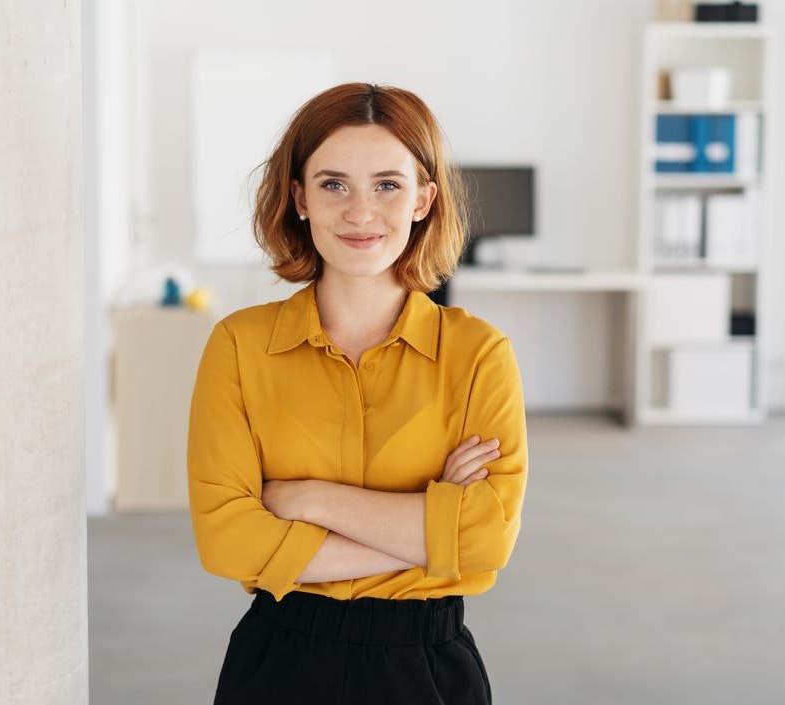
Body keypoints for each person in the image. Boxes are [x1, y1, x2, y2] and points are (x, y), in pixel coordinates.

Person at [186, 82, 528, 705]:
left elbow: (487, 543)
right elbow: (227, 541)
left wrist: (306, 498)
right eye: (334, 183)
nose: (360, 212)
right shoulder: (238, 345)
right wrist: (432, 534)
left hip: (428, 669)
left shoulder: (479, 354)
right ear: (300, 199)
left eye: (388, 185)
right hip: (281, 661)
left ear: (425, 198)